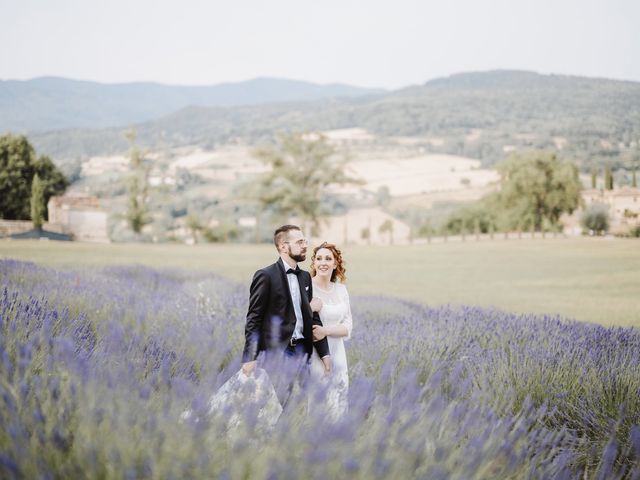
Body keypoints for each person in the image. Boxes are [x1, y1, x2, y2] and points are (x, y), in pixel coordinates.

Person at [242, 225, 332, 405]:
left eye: (305, 241)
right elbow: (254, 318)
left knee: (302, 405)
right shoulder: (265, 275)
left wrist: (325, 353)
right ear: (283, 246)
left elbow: (313, 317)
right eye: (299, 242)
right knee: (279, 405)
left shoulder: (305, 277)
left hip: (302, 351)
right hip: (278, 352)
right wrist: (250, 357)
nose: (305, 245)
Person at [309, 241, 353, 419]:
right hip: (316, 354)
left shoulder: (341, 290)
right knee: (318, 403)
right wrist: (309, 308)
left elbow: (349, 326)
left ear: (335, 264)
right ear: (314, 263)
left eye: (328, 259)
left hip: (339, 354)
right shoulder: (308, 287)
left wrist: (325, 330)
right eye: (319, 258)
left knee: (338, 403)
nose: (323, 262)